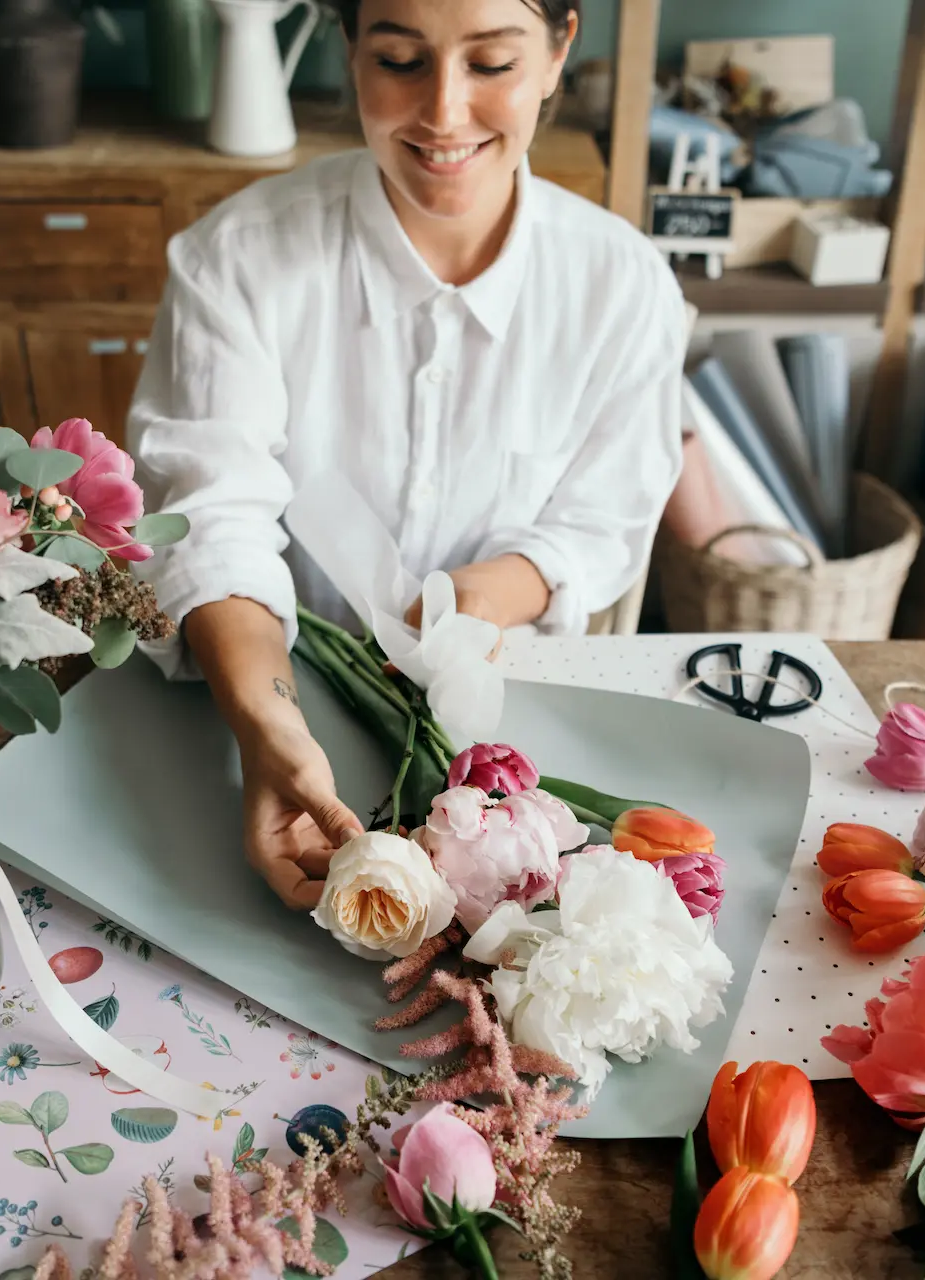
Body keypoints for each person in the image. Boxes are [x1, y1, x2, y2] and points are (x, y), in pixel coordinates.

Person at [126, 0, 687, 911]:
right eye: (399, 59)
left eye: (493, 65)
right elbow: (209, 511)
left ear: (556, 53)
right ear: (348, 48)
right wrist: (267, 718)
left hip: (518, 736)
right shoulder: (238, 260)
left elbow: (605, 519)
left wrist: (492, 595)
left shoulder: (621, 286)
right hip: (260, 708)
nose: (444, 113)